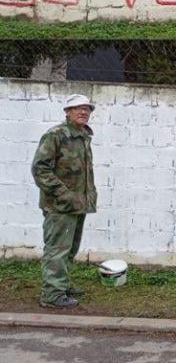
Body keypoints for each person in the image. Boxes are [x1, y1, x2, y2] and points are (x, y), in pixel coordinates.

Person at [31, 94, 98, 309]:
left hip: (78, 204)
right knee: (57, 249)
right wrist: (64, 194)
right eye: (77, 108)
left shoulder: (82, 136)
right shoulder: (56, 135)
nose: (83, 112)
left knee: (70, 249)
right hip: (59, 206)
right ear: (67, 112)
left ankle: (62, 284)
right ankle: (52, 294)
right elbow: (40, 169)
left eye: (86, 109)